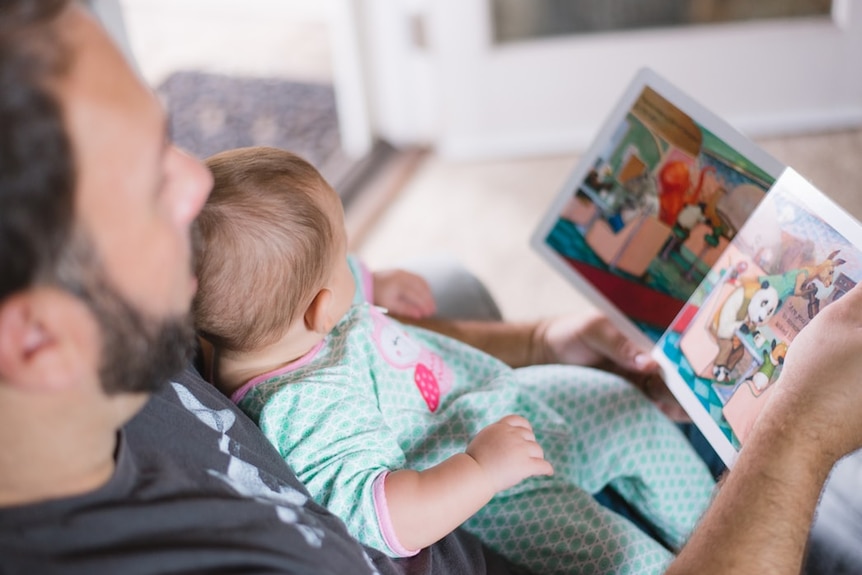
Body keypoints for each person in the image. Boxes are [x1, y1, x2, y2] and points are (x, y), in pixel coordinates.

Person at [0, 1, 860, 574]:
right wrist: (800, 437)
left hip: (501, 416)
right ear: (36, 339)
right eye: (149, 182)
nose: (196, 183)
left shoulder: (145, 315)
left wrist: (534, 340)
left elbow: (340, 337)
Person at [193, 146, 717, 574]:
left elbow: (310, 280)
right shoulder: (306, 408)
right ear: (321, 309)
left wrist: (373, 280)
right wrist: (481, 469)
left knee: (623, 406)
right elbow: (386, 517)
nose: (353, 265)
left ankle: (718, 531)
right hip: (496, 492)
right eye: (344, 259)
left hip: (493, 400)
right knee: (626, 561)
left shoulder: (268, 326)